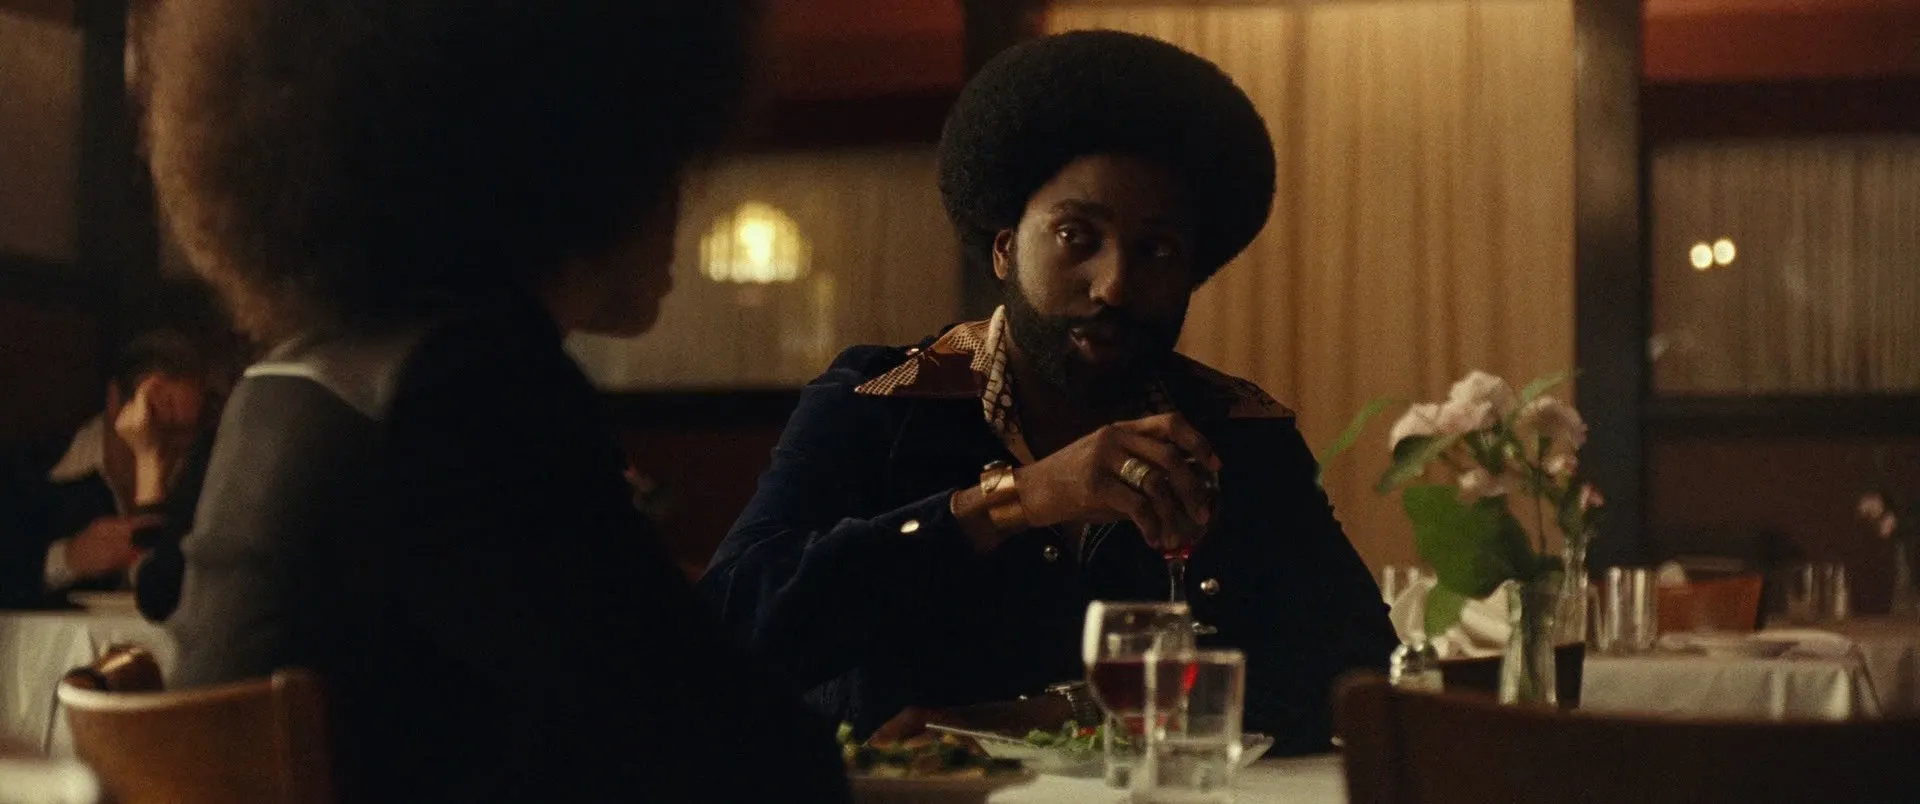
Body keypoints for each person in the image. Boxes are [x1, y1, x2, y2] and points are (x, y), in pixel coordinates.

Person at [143, 1, 848, 802]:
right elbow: (743, 752)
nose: (681, 204)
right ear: (582, 160)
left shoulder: (298, 379)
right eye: (666, 163)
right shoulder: (462, 387)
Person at [700, 30, 1397, 757]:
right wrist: (1016, 501)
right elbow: (729, 630)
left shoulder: (1241, 434)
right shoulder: (879, 406)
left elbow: (1365, 677)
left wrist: (1067, 714)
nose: (1115, 285)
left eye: (1157, 250)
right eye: (1076, 236)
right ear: (1005, 248)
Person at [0, 333, 211, 608]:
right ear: (115, 400)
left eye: (184, 432)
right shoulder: (31, 472)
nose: (169, 446)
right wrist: (69, 558)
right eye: (158, 422)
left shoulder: (202, 484)